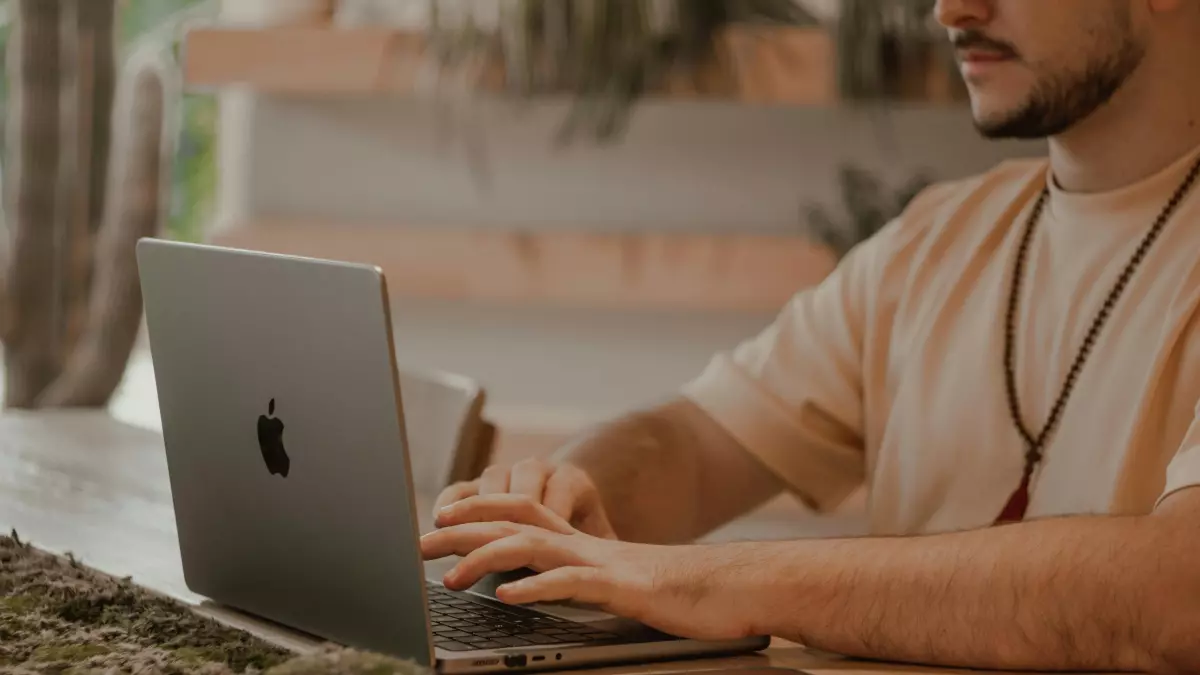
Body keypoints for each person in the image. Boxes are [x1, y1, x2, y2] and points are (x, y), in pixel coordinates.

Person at [422, 1, 1200, 672]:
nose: (950, 10)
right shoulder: (936, 239)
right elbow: (692, 442)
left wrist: (705, 581)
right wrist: (563, 499)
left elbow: (1177, 594)